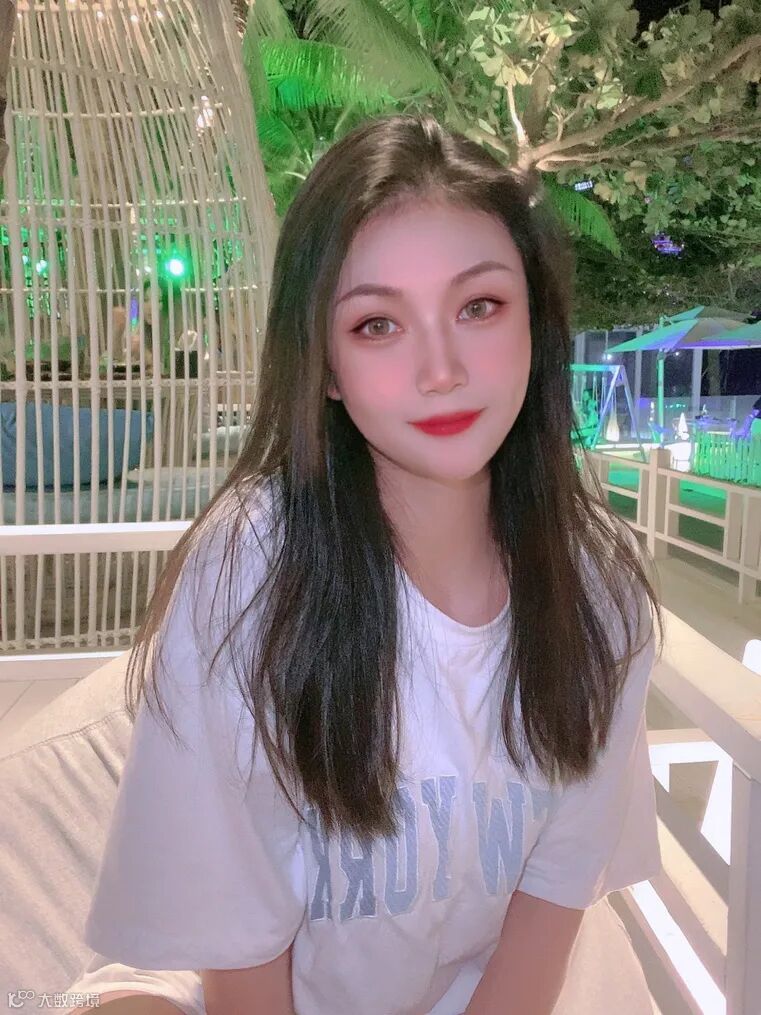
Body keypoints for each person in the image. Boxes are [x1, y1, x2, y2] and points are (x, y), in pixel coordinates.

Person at [65, 113, 662, 1015]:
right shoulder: (252, 569)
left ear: (535, 323)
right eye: (378, 324)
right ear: (328, 367)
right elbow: (236, 952)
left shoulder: (598, 594)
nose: (440, 370)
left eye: (478, 307)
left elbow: (549, 910)